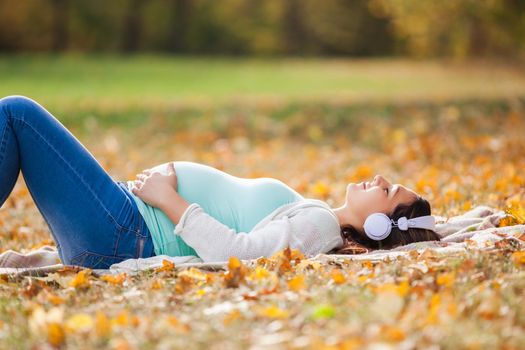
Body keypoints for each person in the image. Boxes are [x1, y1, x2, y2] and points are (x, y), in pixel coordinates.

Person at [0, 95, 440, 269]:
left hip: (125, 233)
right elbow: (435, 232)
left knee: (17, 114)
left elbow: (239, 255)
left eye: (388, 190)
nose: (380, 179)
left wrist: (167, 198)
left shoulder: (319, 227)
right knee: (16, 117)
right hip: (122, 217)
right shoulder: (316, 214)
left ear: (380, 227)